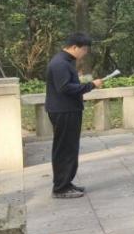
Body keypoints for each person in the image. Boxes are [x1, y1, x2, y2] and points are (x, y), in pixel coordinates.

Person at [44, 33, 104, 198]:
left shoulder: (65, 61)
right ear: (74, 47)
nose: (85, 53)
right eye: (84, 50)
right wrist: (91, 85)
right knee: (64, 149)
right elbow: (65, 88)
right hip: (63, 111)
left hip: (68, 110)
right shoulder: (60, 63)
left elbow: (68, 84)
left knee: (70, 148)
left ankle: (66, 183)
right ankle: (60, 188)